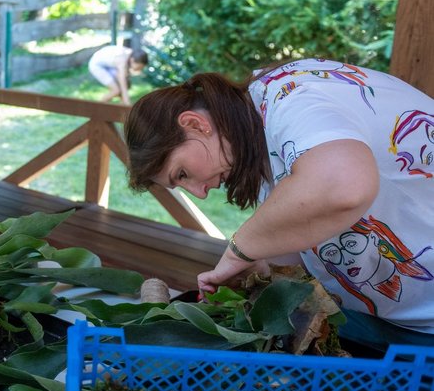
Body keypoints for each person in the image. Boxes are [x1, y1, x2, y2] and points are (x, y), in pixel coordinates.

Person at [124, 58, 434, 350]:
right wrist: (259, 266)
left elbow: (343, 187)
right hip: (394, 328)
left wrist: (240, 249)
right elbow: (312, 231)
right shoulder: (259, 144)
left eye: (182, 174)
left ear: (194, 124)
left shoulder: (291, 97)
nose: (200, 193)